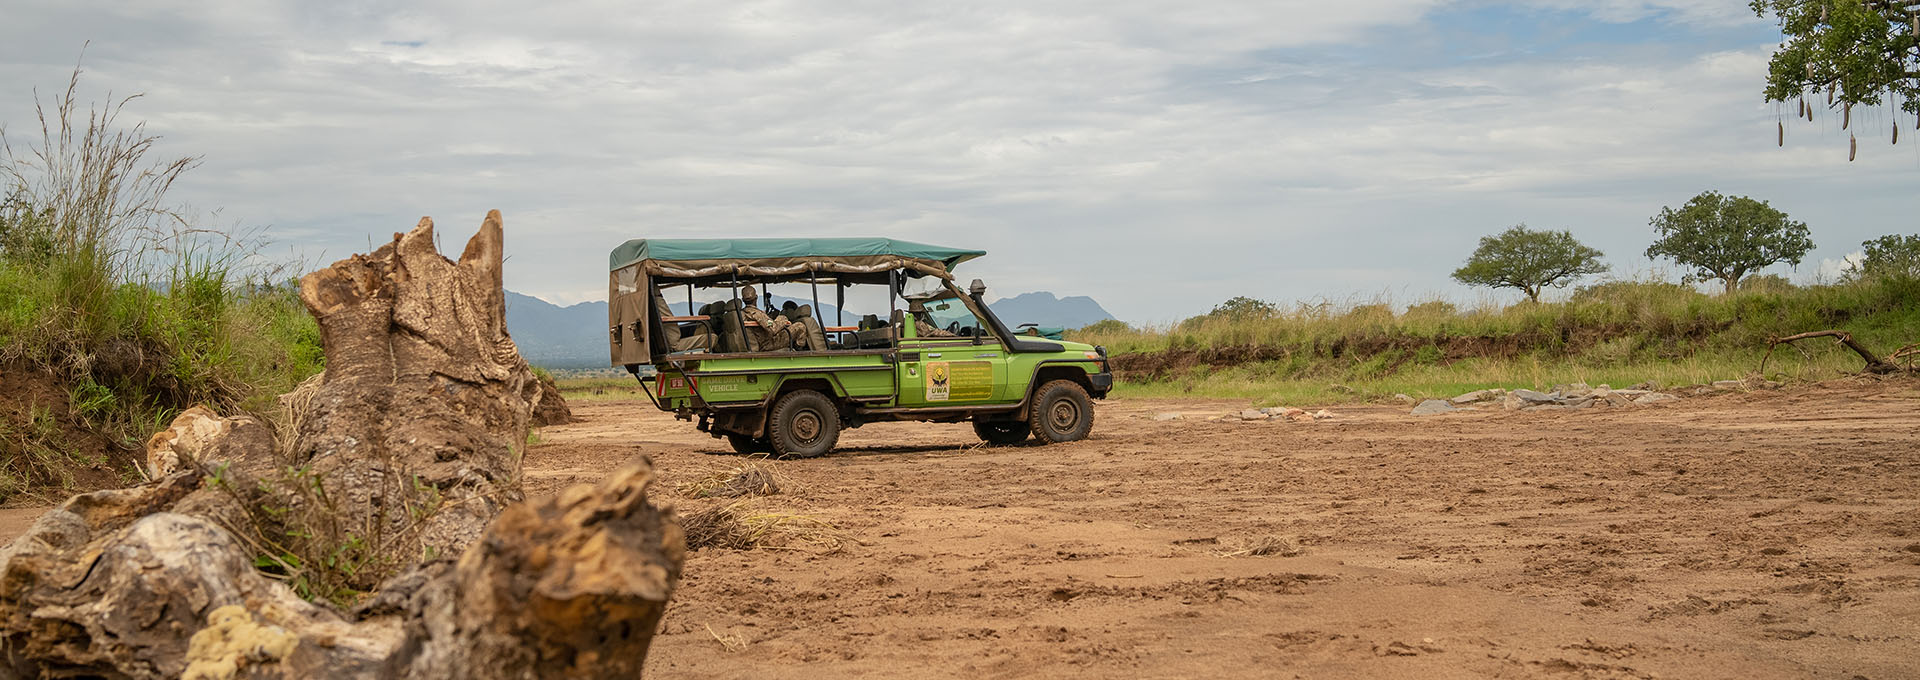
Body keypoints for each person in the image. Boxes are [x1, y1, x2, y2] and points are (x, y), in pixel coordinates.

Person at [740, 286, 811, 351]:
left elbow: (766, 323)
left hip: (763, 342)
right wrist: (782, 318)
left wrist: (770, 317)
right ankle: (800, 350)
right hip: (768, 344)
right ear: (756, 297)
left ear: (743, 300)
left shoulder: (745, 312)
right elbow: (773, 328)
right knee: (800, 326)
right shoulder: (756, 313)